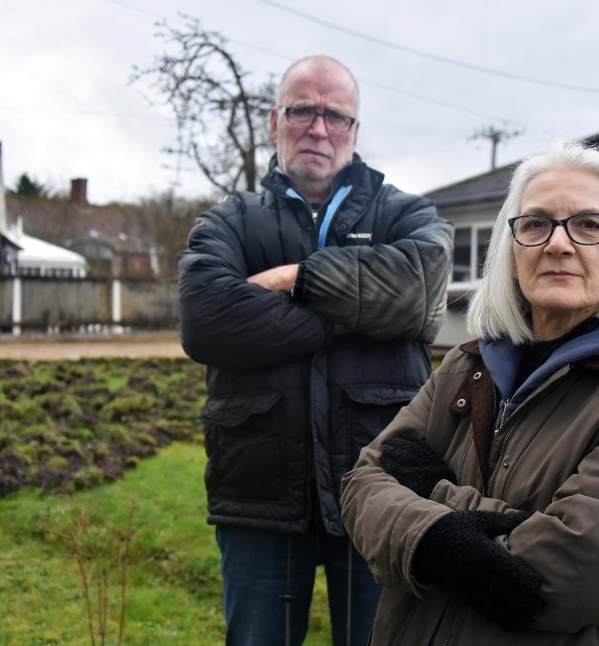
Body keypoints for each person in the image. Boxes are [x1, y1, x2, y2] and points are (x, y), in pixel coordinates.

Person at [341, 140, 599, 645]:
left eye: (588, 224)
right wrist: (459, 541)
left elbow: (566, 579)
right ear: (512, 255)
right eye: (535, 224)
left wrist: (433, 500)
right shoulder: (467, 366)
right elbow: (362, 484)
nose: (558, 243)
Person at [178, 54, 454, 646]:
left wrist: (290, 280)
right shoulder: (230, 221)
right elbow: (206, 320)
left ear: (355, 130)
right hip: (260, 498)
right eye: (303, 110)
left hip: (384, 493)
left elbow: (417, 293)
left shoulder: (406, 214)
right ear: (276, 119)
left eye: (335, 115)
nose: (318, 127)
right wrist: (356, 317)